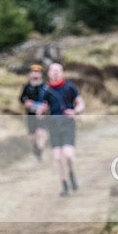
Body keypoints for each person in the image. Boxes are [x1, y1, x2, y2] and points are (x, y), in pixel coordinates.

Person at [37, 63, 85, 197]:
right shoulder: (45, 91)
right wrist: (41, 111)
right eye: (53, 71)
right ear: (49, 74)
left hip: (68, 124)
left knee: (68, 155)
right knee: (58, 158)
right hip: (53, 125)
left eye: (58, 71)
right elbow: (40, 112)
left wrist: (75, 111)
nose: (55, 73)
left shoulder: (70, 87)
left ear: (62, 73)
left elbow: (81, 103)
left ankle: (71, 173)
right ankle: (64, 184)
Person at [18, 64, 48, 161]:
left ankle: (40, 152)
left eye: (37, 72)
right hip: (30, 114)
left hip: (42, 115)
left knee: (41, 132)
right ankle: (36, 148)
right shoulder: (27, 87)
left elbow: (50, 100)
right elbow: (21, 98)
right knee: (32, 136)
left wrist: (44, 107)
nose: (35, 74)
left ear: (41, 74)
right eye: (33, 72)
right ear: (30, 74)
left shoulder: (45, 87)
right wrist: (27, 102)